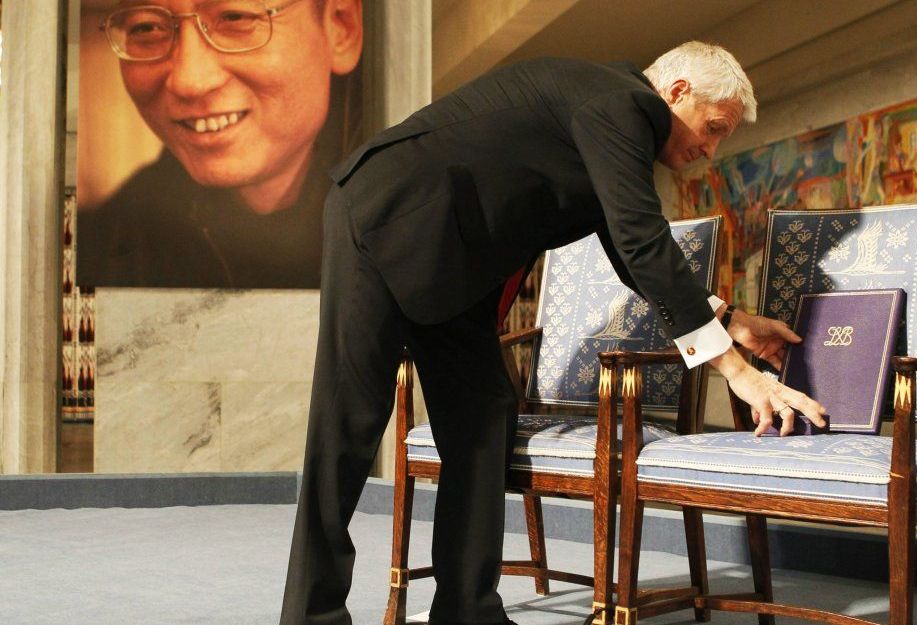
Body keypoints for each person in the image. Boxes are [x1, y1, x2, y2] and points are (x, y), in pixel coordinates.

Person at [280, 42, 827, 625]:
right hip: (385, 214)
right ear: (676, 92)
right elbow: (642, 239)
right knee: (349, 421)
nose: (710, 149)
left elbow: (628, 251)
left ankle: (468, 612)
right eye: (713, 128)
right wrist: (738, 375)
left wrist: (735, 323)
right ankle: (312, 616)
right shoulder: (617, 103)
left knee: (482, 416)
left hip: (457, 259)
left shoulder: (606, 125)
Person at [77, 0, 363, 288]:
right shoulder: (110, 249)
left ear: (341, 27)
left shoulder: (399, 218)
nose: (189, 80)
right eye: (146, 27)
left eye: (235, 17)